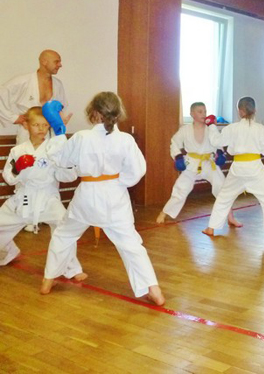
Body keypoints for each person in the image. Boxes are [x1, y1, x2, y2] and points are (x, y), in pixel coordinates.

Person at [40, 92, 164, 305]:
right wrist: (120, 182)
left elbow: (61, 159)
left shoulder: (81, 137)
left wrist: (59, 132)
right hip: (115, 195)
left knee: (64, 235)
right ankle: (154, 290)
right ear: (117, 113)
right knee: (131, 243)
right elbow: (138, 170)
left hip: (87, 195)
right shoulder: (125, 139)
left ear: (93, 113)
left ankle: (47, 280)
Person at [0, 107, 85, 280]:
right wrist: (17, 168)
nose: (41, 129)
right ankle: (9, 251)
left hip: (47, 198)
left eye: (45, 125)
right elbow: (9, 178)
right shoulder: (18, 150)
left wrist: (67, 163)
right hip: (22, 198)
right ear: (26, 125)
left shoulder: (54, 149)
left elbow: (66, 176)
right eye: (36, 125)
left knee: (64, 228)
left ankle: (72, 268)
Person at [203, 97, 264, 244]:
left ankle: (211, 228)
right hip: (255, 167)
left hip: (237, 168)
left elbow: (216, 141)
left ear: (240, 112)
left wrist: (212, 126)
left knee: (224, 197)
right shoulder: (260, 129)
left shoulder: (232, 128)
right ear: (255, 110)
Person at [156, 102, 229, 225]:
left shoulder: (211, 129)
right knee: (181, 188)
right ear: (192, 114)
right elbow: (175, 142)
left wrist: (220, 153)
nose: (203, 114)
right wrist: (178, 157)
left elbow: (218, 143)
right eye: (200, 112)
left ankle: (228, 214)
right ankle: (164, 212)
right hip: (191, 163)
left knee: (221, 185)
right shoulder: (185, 130)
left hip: (208, 162)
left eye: (205, 111)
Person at [0, 50, 71, 144]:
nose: (60, 65)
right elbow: (2, 94)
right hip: (28, 133)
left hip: (51, 133)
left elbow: (62, 107)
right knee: (26, 153)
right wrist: (13, 118)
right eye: (56, 61)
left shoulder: (58, 84)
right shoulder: (23, 81)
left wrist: (61, 121)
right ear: (44, 62)